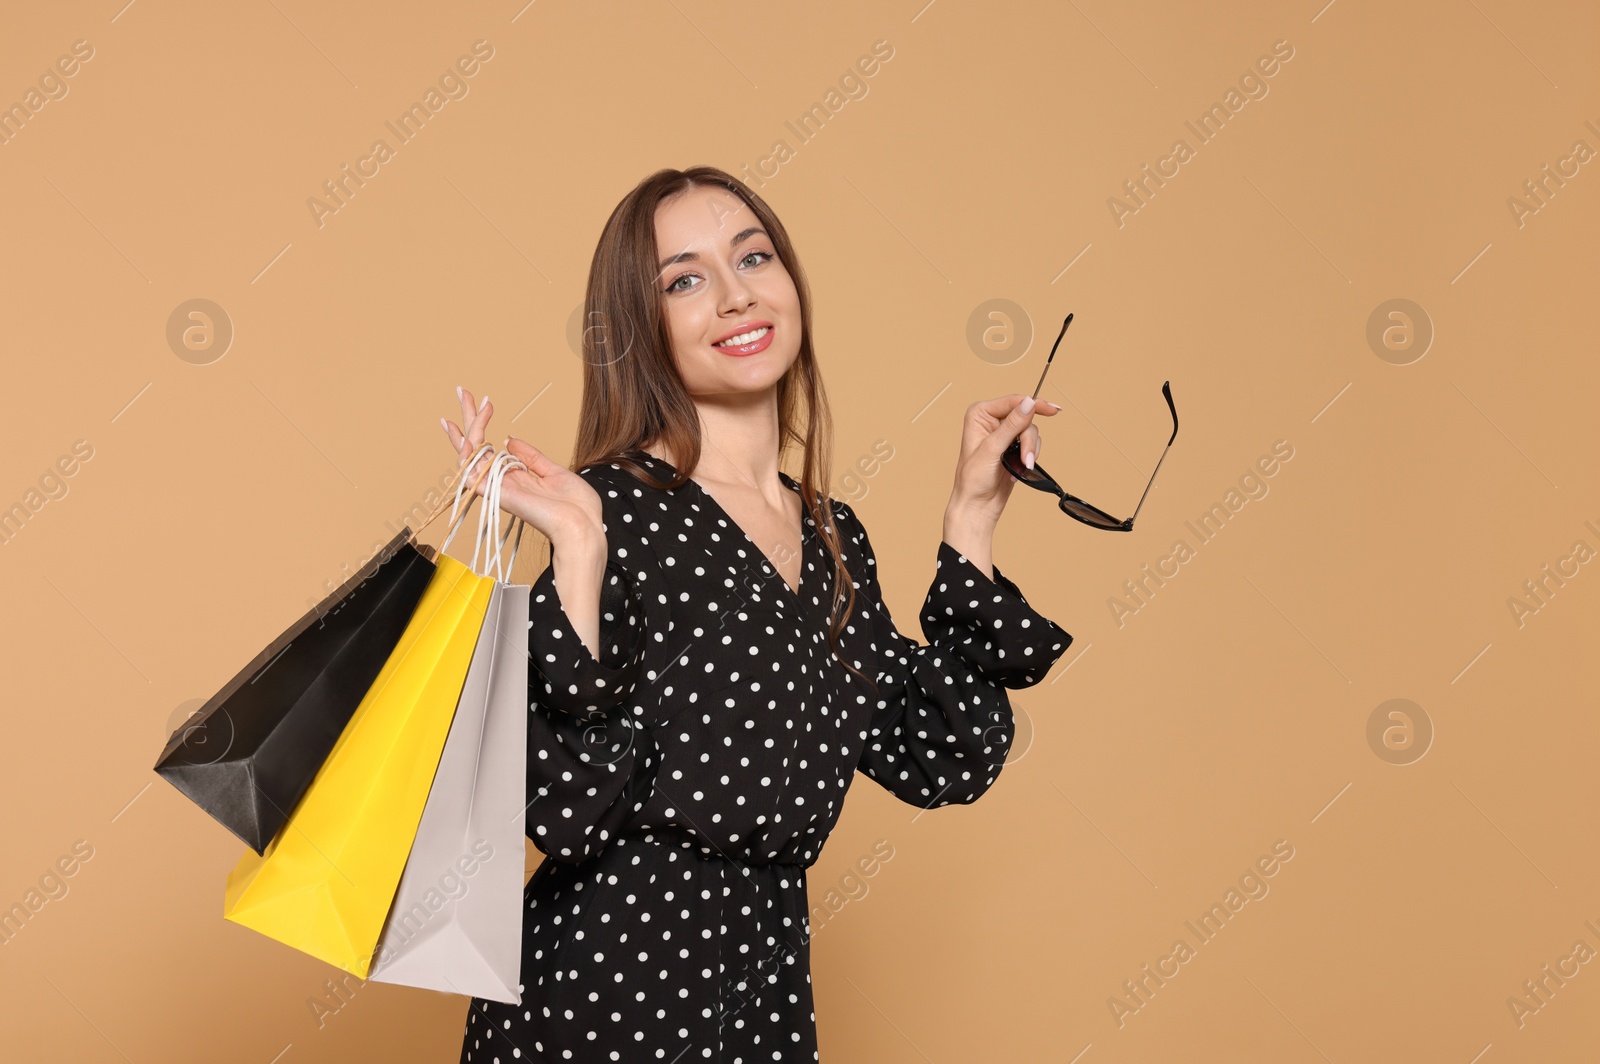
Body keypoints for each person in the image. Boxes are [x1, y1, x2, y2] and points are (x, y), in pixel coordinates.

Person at [441, 165, 1072, 1063]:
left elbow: (944, 752)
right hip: (601, 994)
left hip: (765, 993)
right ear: (642, 326)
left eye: (755, 257)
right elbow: (562, 809)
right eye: (686, 279)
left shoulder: (831, 535)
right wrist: (578, 550)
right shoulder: (615, 508)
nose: (736, 297)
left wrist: (971, 514)